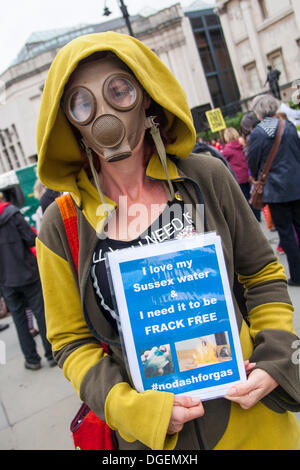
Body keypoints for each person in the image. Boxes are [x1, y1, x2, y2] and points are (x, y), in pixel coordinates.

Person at [36, 32, 300, 450]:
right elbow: (70, 341)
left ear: (146, 99)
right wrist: (131, 410)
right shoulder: (61, 225)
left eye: (119, 91)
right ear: (70, 122)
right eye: (83, 103)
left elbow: (262, 274)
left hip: (253, 421)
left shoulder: (206, 177)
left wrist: (276, 358)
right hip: (156, 443)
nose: (104, 114)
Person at [248, 94, 300, 286]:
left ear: (258, 111)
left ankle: (297, 274)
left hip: (276, 190)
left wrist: (256, 176)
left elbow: (252, 161)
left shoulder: (258, 133)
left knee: (286, 234)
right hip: (296, 184)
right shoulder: (289, 127)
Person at [0, 199, 56, 369]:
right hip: (27, 272)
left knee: (19, 319)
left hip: (5, 278)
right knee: (41, 313)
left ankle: (32, 359)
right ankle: (51, 354)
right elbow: (32, 239)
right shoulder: (12, 213)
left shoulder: (12, 213)